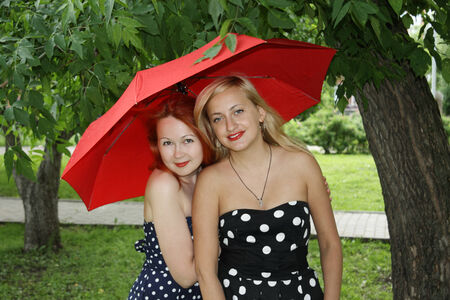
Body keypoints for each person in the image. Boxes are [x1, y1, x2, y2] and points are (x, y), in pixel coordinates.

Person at [192, 75, 343, 300]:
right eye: (218, 118)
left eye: (238, 111)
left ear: (260, 113)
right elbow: (205, 271)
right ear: (212, 129)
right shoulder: (210, 182)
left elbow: (330, 243)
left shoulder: (302, 164)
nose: (230, 125)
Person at [128, 94, 213, 300]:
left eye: (188, 140)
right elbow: (185, 276)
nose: (178, 154)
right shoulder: (164, 185)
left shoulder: (204, 176)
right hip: (168, 293)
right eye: (167, 143)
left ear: (205, 137)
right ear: (157, 145)